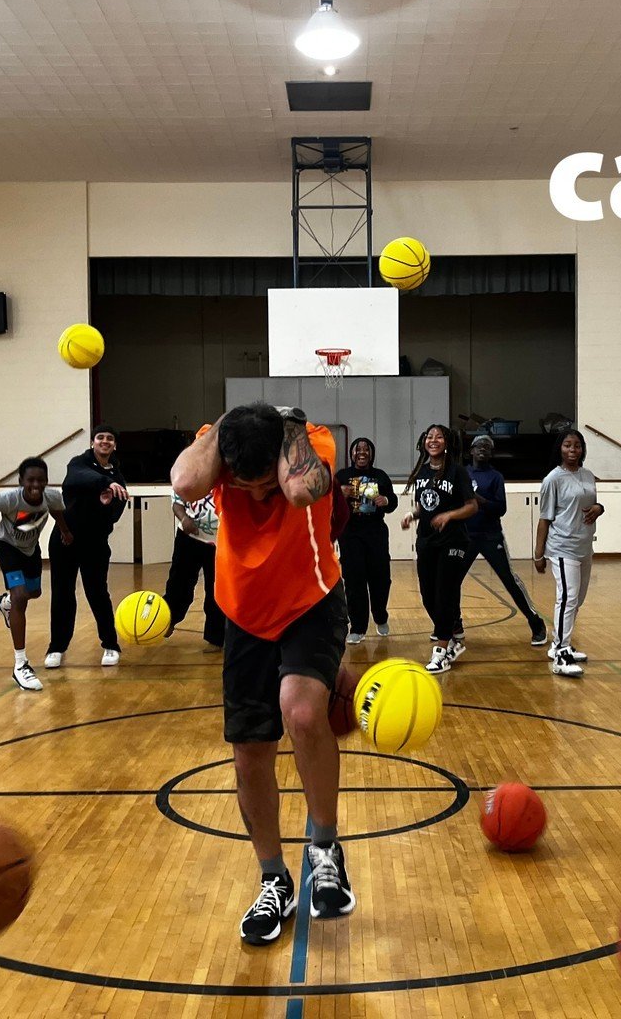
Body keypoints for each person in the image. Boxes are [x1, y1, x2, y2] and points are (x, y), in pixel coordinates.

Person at [170, 402, 354, 946]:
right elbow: (184, 482)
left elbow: (299, 491)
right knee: (250, 750)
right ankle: (274, 879)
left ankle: (324, 848)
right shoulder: (219, 446)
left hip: (311, 602)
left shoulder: (312, 443)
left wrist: (288, 428)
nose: (254, 497)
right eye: (241, 487)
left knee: (300, 712)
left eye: (261, 487)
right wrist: (225, 425)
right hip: (244, 613)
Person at [0, 457, 71, 691]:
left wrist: (65, 532)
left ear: (46, 481)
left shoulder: (52, 496)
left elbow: (57, 512)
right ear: (21, 481)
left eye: (41, 480)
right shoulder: (7, 499)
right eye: (30, 480)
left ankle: (6, 603)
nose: (36, 484)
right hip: (7, 548)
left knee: (34, 592)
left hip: (30, 549)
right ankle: (21, 665)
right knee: (21, 597)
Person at [45, 425, 130, 669]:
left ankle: (110, 645)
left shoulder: (118, 476)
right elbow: (76, 478)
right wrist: (104, 484)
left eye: (110, 439)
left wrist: (105, 503)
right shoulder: (78, 463)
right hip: (65, 538)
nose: (105, 441)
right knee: (62, 593)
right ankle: (57, 647)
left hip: (95, 543)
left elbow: (114, 515)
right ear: (93, 442)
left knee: (98, 593)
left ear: (115, 445)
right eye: (100, 437)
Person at [401, 424, 478, 674]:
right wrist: (412, 514)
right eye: (429, 436)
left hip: (453, 541)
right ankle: (452, 637)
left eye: (439, 436)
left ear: (447, 442)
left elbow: (471, 506)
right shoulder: (423, 472)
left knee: (445, 593)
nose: (433, 440)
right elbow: (427, 505)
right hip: (427, 540)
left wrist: (450, 516)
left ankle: (441, 651)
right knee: (427, 594)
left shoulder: (457, 472)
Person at [464, 434, 548, 647]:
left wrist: (480, 500)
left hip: (491, 536)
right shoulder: (462, 473)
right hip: (465, 536)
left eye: (487, 447)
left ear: (491, 453)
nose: (483, 449)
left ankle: (536, 623)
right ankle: (452, 626)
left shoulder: (495, 477)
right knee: (452, 582)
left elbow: (500, 508)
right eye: (479, 446)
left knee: (509, 580)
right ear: (471, 451)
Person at [533, 430, 602, 678]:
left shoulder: (588, 475)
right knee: (568, 598)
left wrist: (599, 508)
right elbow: (544, 519)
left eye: (577, 446)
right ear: (560, 449)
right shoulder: (553, 479)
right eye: (567, 445)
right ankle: (560, 654)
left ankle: (559, 643)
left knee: (577, 599)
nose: (573, 450)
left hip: (585, 546)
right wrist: (539, 554)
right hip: (563, 547)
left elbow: (592, 503)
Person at [335, 437, 398, 644]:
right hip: (350, 534)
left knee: (380, 578)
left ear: (371, 453)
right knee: (354, 582)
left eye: (366, 449)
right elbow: (327, 503)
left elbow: (393, 502)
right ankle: (358, 627)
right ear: (351, 453)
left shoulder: (380, 476)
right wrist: (338, 494)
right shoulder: (342, 476)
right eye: (357, 449)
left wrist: (386, 500)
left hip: (376, 533)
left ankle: (380, 616)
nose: (361, 452)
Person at [162, 484, 225, 648]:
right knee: (178, 583)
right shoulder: (190, 475)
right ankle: (167, 621)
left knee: (216, 591)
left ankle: (216, 637)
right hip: (188, 538)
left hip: (221, 541)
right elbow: (177, 503)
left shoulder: (230, 476)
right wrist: (184, 518)